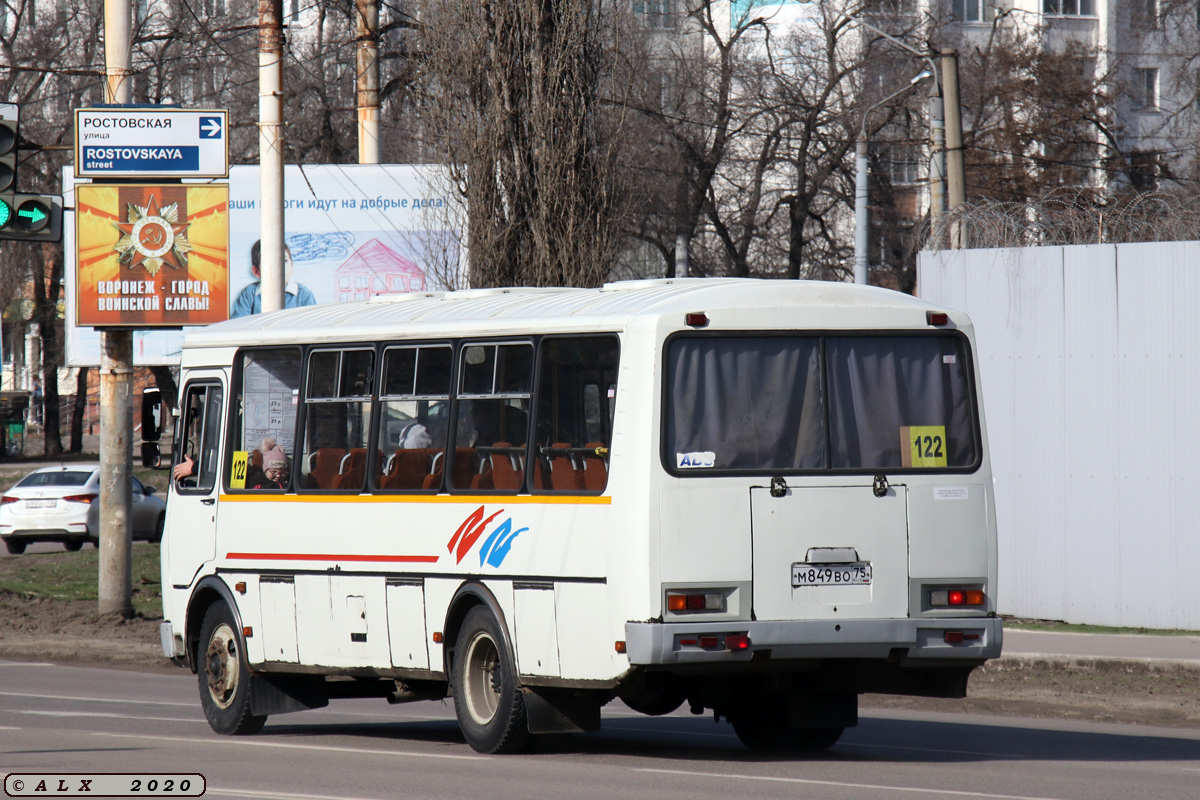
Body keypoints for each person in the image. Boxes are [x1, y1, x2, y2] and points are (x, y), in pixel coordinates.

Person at [230, 241, 317, 318]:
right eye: (270, 262)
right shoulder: (249, 294)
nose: (280, 267)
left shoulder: (304, 296)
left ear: (292, 265)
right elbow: (238, 328)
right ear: (256, 271)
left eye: (284, 261)